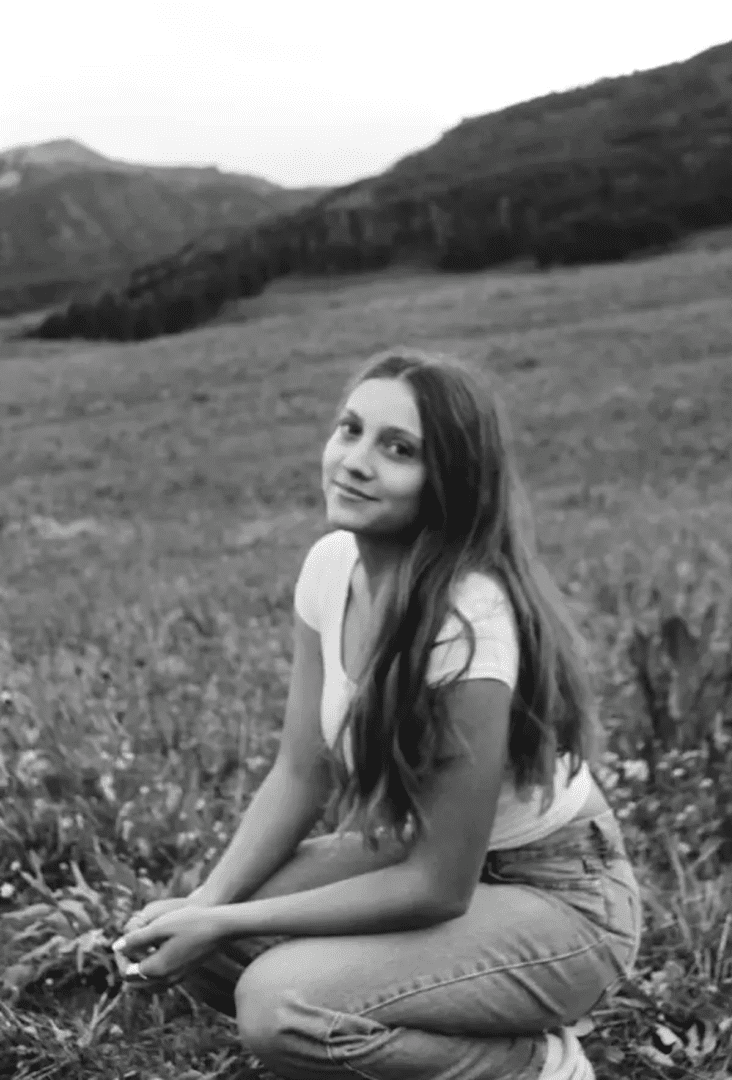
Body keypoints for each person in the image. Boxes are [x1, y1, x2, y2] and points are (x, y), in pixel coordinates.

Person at [112, 349, 642, 1080]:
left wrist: (227, 918)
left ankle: (538, 1068)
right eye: (350, 430)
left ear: (448, 481)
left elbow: (437, 887)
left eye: (398, 450)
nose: (356, 462)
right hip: (427, 859)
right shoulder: (332, 567)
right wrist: (207, 903)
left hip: (558, 898)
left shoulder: (467, 625)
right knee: (204, 943)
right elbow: (302, 770)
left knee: (278, 1003)